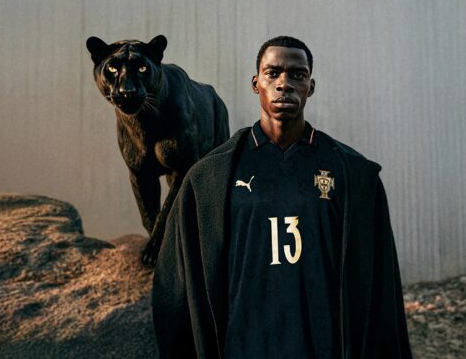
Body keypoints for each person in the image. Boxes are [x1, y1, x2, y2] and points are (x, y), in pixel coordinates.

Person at [152, 36, 412, 358]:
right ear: (255, 82)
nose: (284, 84)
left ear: (310, 87)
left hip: (324, 345)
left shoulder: (353, 176)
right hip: (243, 344)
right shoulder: (209, 179)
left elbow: (379, 291)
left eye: (297, 75)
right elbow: (175, 289)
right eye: (272, 73)